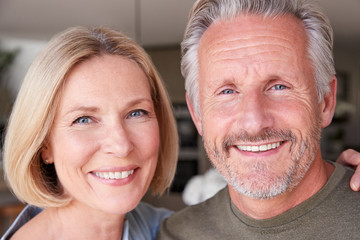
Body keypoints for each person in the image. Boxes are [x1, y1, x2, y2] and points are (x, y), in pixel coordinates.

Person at [158, 0, 360, 239]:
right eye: (227, 91)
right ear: (197, 114)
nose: (254, 123)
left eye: (279, 87)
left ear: (325, 102)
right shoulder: (177, 234)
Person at [1, 26, 179, 240]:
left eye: (136, 113)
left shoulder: (176, 230)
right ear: (44, 145)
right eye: (83, 119)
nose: (121, 145)